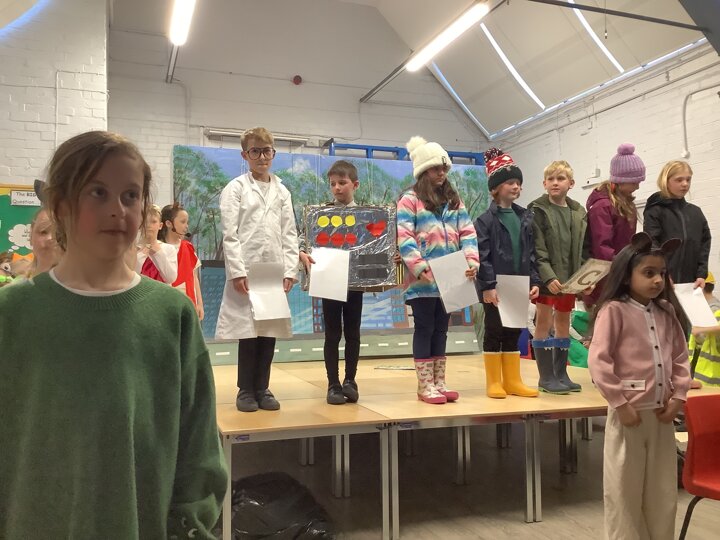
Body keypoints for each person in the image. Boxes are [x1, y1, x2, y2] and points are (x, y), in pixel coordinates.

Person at [0, 130, 227, 539]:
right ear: (61, 205)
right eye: (98, 193)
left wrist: (188, 528)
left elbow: (199, 450)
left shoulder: (171, 314)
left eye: (130, 196)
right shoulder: (13, 312)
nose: (117, 210)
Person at [588, 232, 691, 540]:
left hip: (661, 417)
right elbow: (599, 362)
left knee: (662, 493)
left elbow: (680, 357)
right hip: (628, 417)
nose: (658, 280)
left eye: (662, 273)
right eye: (648, 273)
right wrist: (620, 404)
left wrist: (678, 397)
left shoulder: (667, 312)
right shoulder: (613, 311)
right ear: (626, 275)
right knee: (624, 492)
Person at [215, 127, 299, 413]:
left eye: (267, 151)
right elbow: (230, 233)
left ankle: (263, 387)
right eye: (255, 151)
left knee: (268, 330)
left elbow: (289, 232)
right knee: (248, 331)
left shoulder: (282, 191)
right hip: (248, 268)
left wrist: (290, 270)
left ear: (273, 153)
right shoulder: (236, 188)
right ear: (245, 155)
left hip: (273, 268)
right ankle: (245, 390)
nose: (262, 157)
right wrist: (237, 271)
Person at [398, 136, 479, 404]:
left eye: (444, 168)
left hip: (452, 276)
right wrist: (418, 266)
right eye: (435, 168)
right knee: (424, 327)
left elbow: (467, 232)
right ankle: (425, 386)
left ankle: (439, 382)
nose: (441, 173)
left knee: (441, 329)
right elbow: (404, 235)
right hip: (423, 279)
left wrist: (471, 262)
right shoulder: (409, 200)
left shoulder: (454, 200)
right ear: (423, 171)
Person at [474, 148, 540, 399]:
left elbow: (531, 252)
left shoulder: (525, 217)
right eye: (510, 182)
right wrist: (488, 285)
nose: (516, 187)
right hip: (496, 285)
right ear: (495, 188)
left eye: (518, 183)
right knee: (494, 330)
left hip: (519, 282)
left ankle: (513, 380)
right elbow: (482, 255)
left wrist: (534, 280)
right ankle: (493, 382)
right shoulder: (485, 221)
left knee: (514, 330)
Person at [300, 160, 364, 404]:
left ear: (355, 185)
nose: (337, 188)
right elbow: (304, 239)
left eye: (342, 183)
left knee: (353, 333)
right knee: (332, 334)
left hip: (355, 283)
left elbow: (381, 242)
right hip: (329, 282)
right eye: (332, 184)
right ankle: (333, 384)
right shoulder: (321, 214)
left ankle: (350, 381)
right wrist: (301, 252)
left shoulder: (366, 215)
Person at [528, 160, 587, 394]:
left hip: (569, 280)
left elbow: (582, 247)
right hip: (547, 280)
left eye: (560, 178)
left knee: (564, 322)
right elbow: (537, 248)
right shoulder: (537, 210)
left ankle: (561, 374)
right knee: (543, 321)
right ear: (544, 183)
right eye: (550, 179)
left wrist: (582, 278)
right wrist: (547, 277)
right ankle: (546, 377)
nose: (555, 183)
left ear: (571, 183)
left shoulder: (578, 211)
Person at [584, 143, 645, 307]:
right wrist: (623, 267)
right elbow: (602, 247)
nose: (637, 186)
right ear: (621, 180)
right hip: (607, 279)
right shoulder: (602, 207)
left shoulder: (626, 205)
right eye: (634, 182)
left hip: (622, 273)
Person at [643, 160, 711, 289]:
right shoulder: (656, 211)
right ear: (666, 181)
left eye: (688, 179)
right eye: (679, 180)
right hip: (665, 281)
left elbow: (704, 244)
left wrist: (701, 274)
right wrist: (662, 274)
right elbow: (652, 244)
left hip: (692, 283)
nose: (685, 184)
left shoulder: (696, 212)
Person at [159, 202, 204, 319]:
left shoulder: (188, 248)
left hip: (188, 303)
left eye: (187, 222)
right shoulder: (158, 249)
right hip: (165, 304)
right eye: (183, 222)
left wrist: (199, 304)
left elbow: (194, 277)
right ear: (168, 223)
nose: (186, 226)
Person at [135, 203, 178, 284]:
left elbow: (171, 278)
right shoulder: (133, 250)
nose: (148, 225)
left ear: (160, 225)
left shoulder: (169, 249)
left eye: (153, 222)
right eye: (145, 222)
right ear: (140, 225)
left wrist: (158, 252)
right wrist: (141, 255)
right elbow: (130, 278)